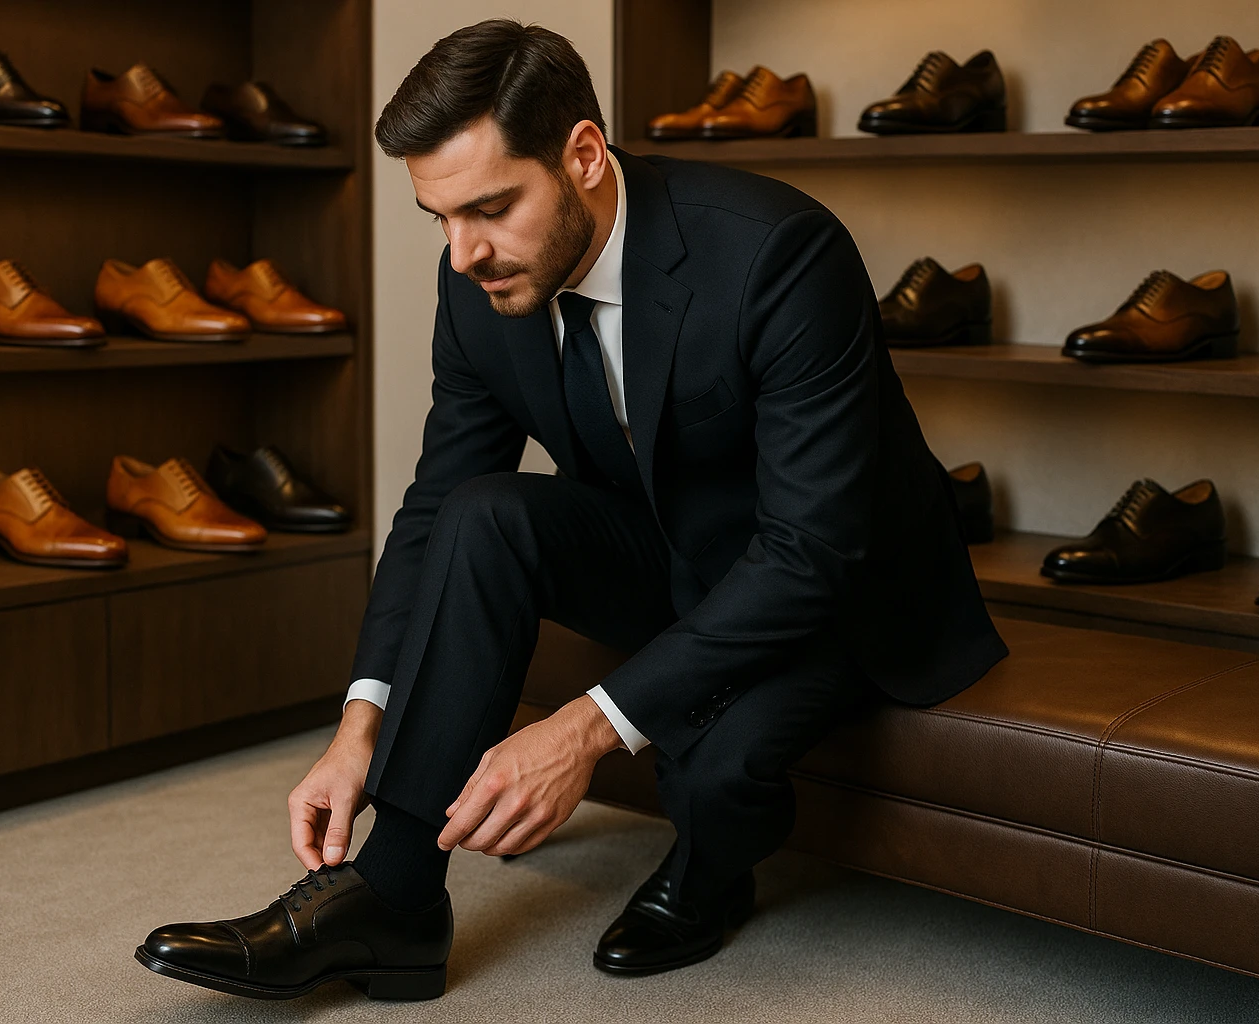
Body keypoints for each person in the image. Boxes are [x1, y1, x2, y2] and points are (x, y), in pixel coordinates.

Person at [133, 18, 1007, 1002]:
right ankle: (395, 898)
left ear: (584, 155)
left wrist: (586, 726)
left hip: (840, 587)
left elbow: (811, 549)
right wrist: (358, 721)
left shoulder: (779, 254)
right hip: (679, 555)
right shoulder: (479, 277)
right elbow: (430, 508)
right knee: (479, 511)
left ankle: (708, 878)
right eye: (442, 218)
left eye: (492, 208)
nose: (464, 253)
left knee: (715, 769)